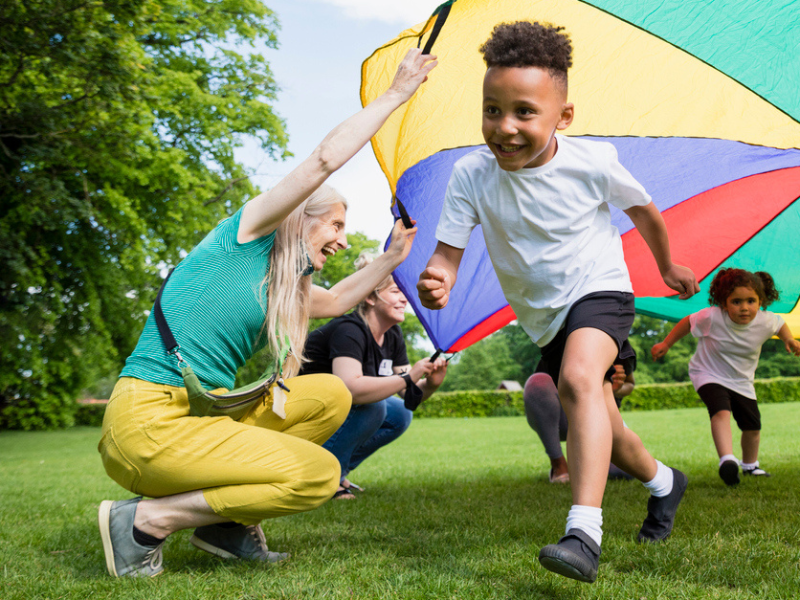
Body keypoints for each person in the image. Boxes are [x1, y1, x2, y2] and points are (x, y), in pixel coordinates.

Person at [96, 49, 437, 578]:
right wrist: (396, 95)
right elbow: (324, 159)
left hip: (199, 417)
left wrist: (393, 257)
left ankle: (223, 526)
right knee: (318, 475)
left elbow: (341, 300)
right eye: (336, 226)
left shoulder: (282, 285)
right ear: (301, 218)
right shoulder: (246, 236)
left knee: (328, 394)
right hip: (147, 425)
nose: (344, 242)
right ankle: (147, 520)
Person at [416, 22, 698, 583]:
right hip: (544, 317)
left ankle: (583, 534)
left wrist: (666, 265)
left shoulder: (590, 162)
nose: (505, 127)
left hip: (600, 290)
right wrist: (436, 277)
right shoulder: (471, 174)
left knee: (576, 381)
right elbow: (447, 254)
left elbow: (644, 210)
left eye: (524, 112)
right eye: (492, 110)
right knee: (606, 428)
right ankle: (665, 484)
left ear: (562, 117)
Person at [301, 252, 449, 499]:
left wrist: (430, 384)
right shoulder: (349, 330)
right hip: (302, 407)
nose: (405, 300)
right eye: (396, 292)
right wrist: (409, 377)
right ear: (370, 296)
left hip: (336, 408)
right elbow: (351, 388)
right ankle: (322, 478)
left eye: (405, 293)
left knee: (400, 413)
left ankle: (336, 471)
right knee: (374, 406)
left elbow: (407, 395)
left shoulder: (393, 335)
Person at [650, 269, 800, 487]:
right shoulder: (712, 316)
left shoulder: (765, 321)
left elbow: (779, 325)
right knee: (720, 411)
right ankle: (727, 460)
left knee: (752, 426)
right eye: (736, 301)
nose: (744, 307)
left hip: (742, 381)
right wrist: (666, 343)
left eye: (751, 301)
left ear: (761, 301)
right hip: (707, 373)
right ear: (723, 303)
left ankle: (750, 465)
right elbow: (687, 322)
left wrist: (789, 339)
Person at [524, 364, 636, 484]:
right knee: (537, 382)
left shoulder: (621, 348)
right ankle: (558, 464)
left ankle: (588, 460)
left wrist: (615, 387)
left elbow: (630, 384)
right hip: (566, 412)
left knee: (626, 471)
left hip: (600, 417)